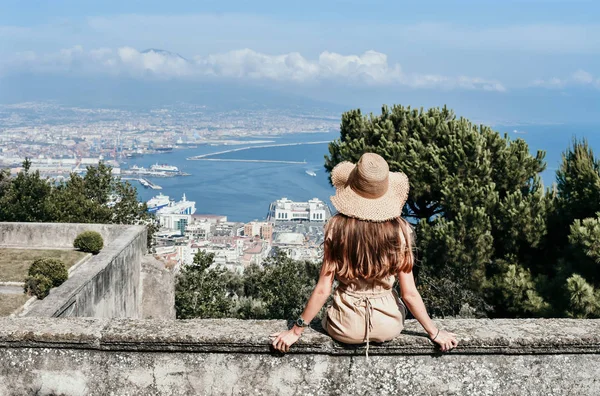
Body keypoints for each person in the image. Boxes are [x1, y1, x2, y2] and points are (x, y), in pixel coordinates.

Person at [270, 152, 458, 356]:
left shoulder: (336, 228)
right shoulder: (400, 231)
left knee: (328, 316)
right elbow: (409, 294)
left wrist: (296, 331)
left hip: (344, 325)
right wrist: (434, 332)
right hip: (389, 324)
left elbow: (323, 290)